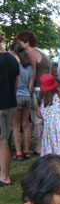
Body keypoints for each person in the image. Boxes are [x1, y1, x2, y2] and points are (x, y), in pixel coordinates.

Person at [16, 31, 50, 154]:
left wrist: (27, 92)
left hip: (37, 89)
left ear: (26, 42)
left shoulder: (31, 53)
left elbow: (33, 74)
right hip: (46, 89)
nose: (19, 44)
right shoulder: (40, 51)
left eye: (20, 41)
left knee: (37, 119)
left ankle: (39, 147)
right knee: (43, 118)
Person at [0, 31, 19, 187]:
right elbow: (16, 84)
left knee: (2, 142)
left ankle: (5, 176)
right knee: (3, 140)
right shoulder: (13, 59)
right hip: (11, 103)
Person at [9, 41, 34, 161]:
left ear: (14, 52)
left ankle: (18, 152)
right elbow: (30, 85)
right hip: (27, 97)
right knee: (25, 125)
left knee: (15, 126)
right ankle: (27, 151)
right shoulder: (29, 67)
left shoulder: (14, 65)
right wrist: (28, 96)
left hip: (17, 96)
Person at [38, 73, 60, 156]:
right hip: (59, 127)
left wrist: (47, 117)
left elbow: (38, 115)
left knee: (51, 150)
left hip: (49, 128)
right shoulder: (59, 94)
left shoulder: (40, 100)